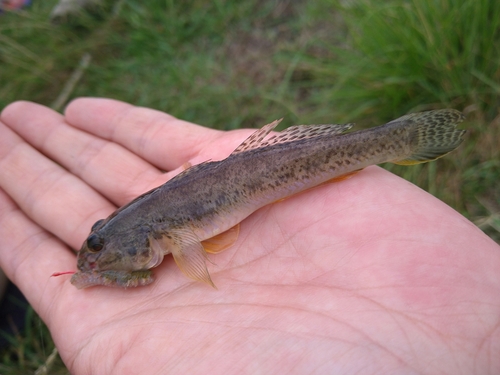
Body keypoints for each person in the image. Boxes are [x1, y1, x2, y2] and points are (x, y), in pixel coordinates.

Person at [0, 98, 499, 374]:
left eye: (103, 248)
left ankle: (399, 137)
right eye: (101, 248)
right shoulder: (144, 232)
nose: (101, 259)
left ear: (144, 241)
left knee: (371, 146)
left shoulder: (158, 235)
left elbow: (193, 259)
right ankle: (393, 137)